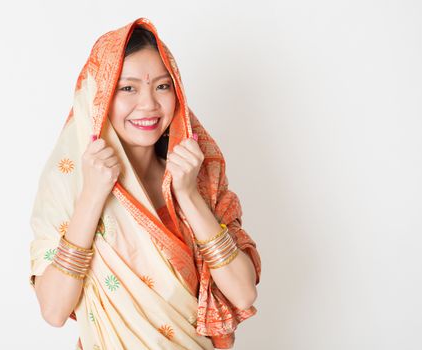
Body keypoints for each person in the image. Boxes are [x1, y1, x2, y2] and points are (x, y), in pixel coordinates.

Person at [28, 17, 261, 350]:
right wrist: (92, 197)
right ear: (99, 96)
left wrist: (189, 197)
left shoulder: (200, 176)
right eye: (128, 88)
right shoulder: (68, 186)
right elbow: (53, 310)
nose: (149, 104)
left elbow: (243, 292)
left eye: (163, 86)